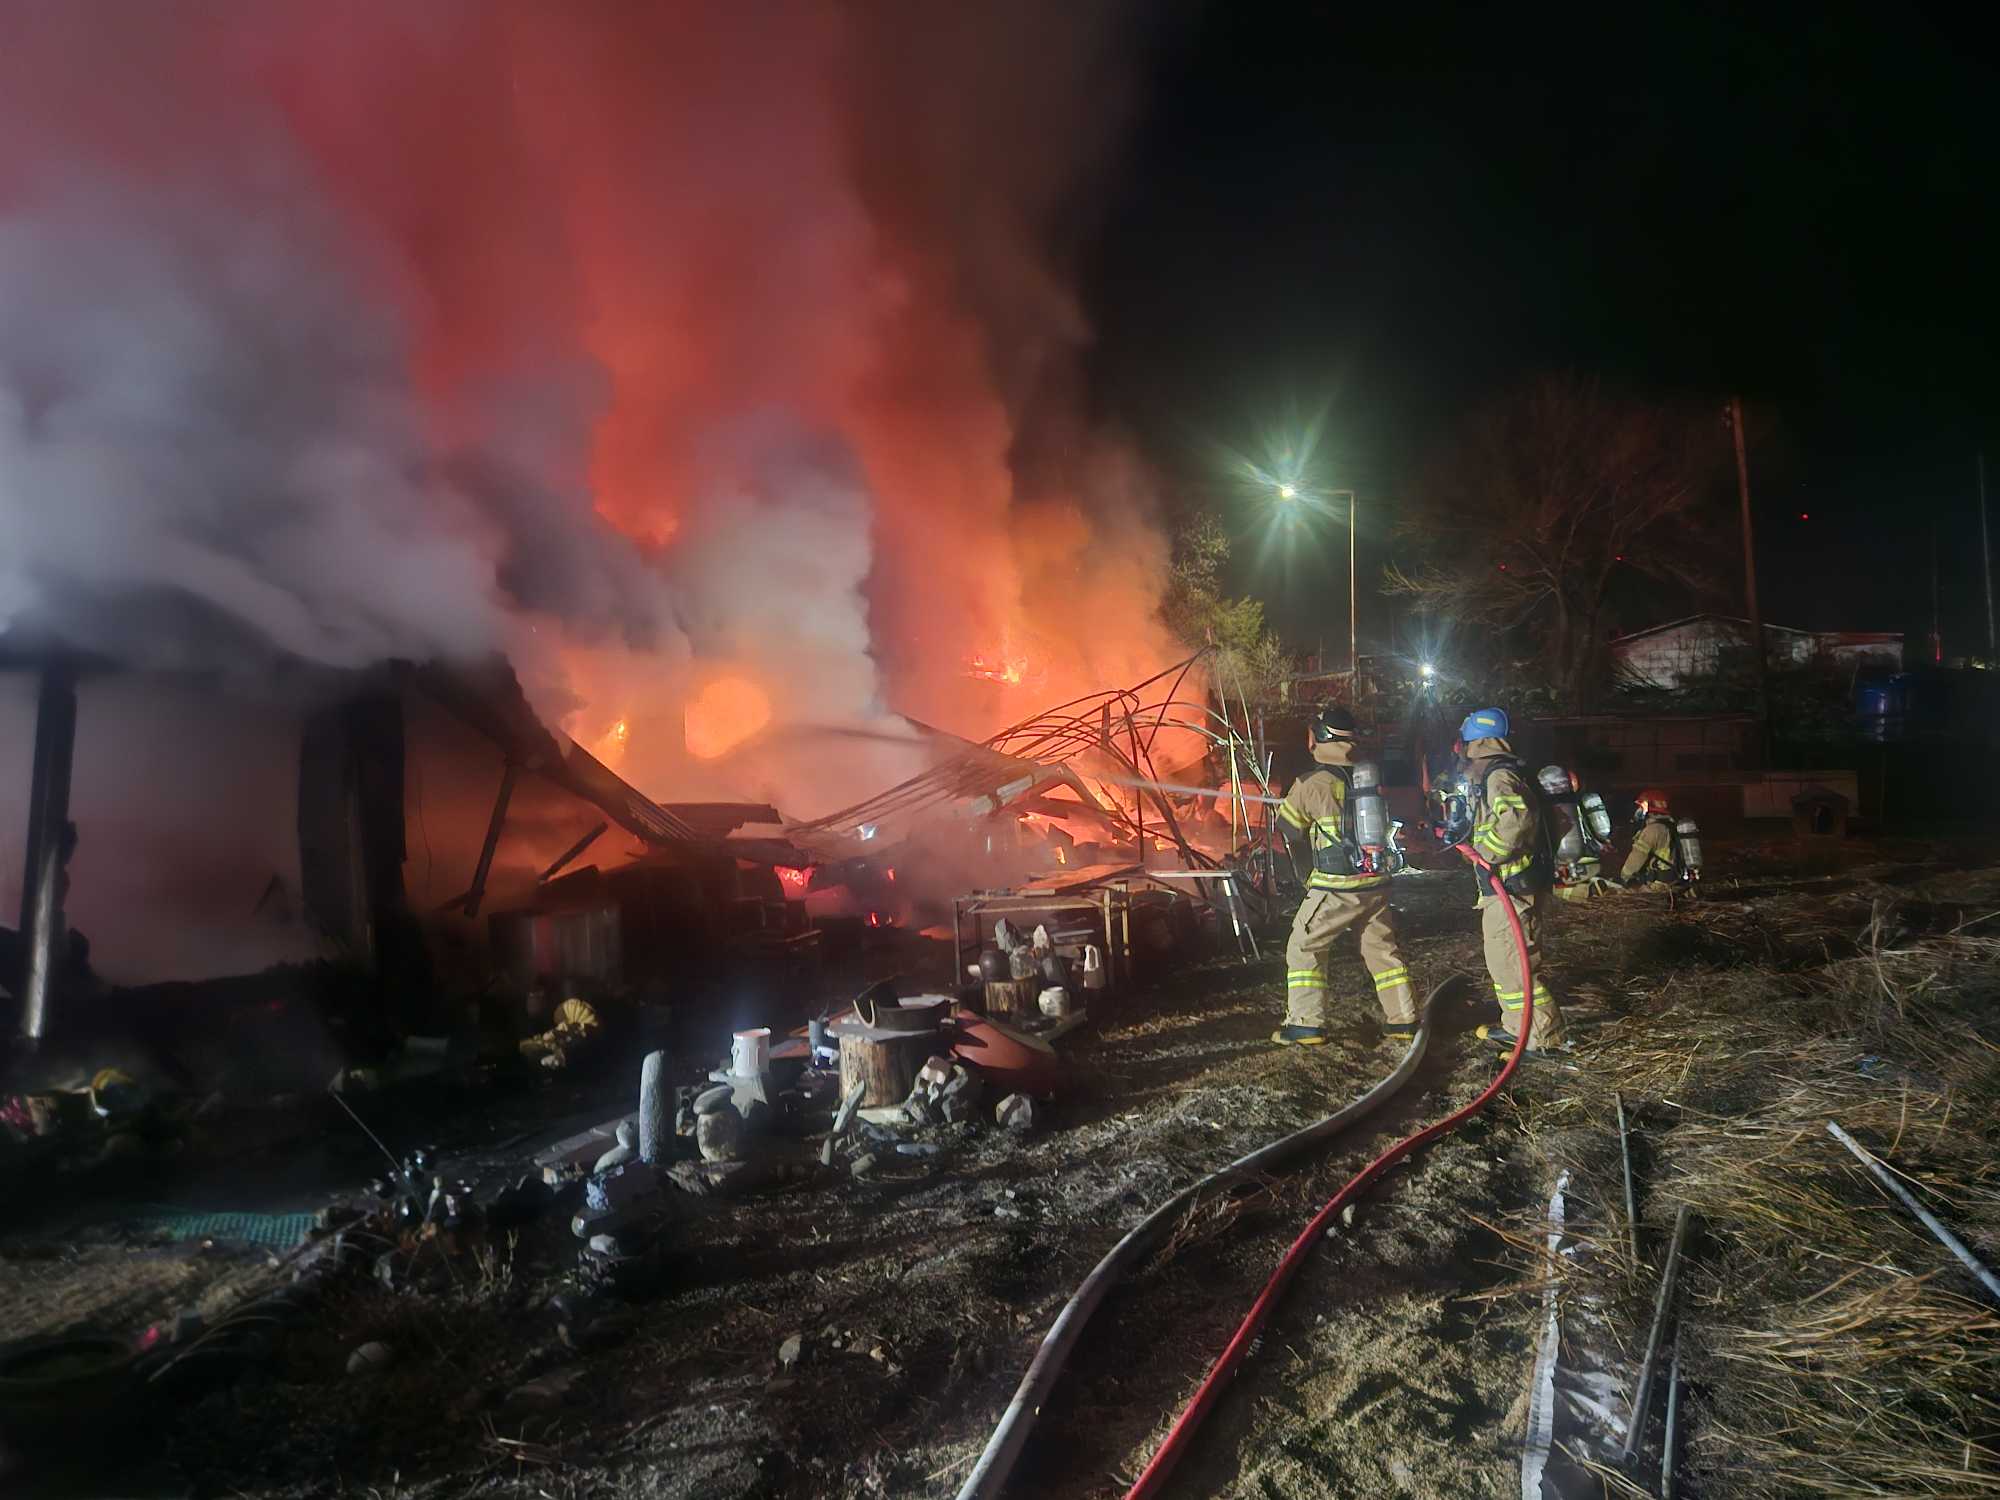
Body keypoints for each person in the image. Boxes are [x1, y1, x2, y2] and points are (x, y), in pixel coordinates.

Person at [1271, 704, 1414, 1046]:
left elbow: (1288, 831)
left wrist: (1305, 873)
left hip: (1337, 886)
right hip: (1376, 881)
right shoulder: (1370, 777)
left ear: (1321, 736)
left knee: (1304, 946)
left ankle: (1306, 1024)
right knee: (1382, 950)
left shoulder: (1310, 783)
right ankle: (1404, 1019)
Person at [1458, 708, 1567, 1054]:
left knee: (1516, 965)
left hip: (1511, 888)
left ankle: (1543, 1038)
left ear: (1476, 743)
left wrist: (1485, 854)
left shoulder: (1499, 776)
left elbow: (1516, 820)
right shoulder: (1505, 772)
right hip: (1506, 886)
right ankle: (1517, 1027)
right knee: (1504, 964)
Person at [1621, 789, 1681, 886]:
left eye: (1641, 807)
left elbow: (1637, 857)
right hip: (1676, 880)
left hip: (1659, 885)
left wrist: (1624, 877)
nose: (1638, 810)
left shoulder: (1652, 830)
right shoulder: (1673, 826)